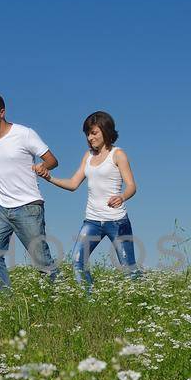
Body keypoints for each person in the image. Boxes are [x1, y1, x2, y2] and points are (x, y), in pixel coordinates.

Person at [37, 110, 142, 290]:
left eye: (93, 132)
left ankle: (141, 296)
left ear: (105, 131)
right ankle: (89, 300)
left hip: (116, 221)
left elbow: (132, 185)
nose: (89, 137)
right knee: (77, 262)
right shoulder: (88, 156)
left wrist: (122, 196)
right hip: (92, 220)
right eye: (87, 133)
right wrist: (49, 178)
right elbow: (73, 183)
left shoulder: (118, 154)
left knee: (128, 268)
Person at [0, 93, 60, 291]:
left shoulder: (24, 134)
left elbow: (52, 160)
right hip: (1, 207)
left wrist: (43, 167)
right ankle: (6, 299)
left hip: (28, 206)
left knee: (42, 261)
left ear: (2, 112)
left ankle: (57, 295)